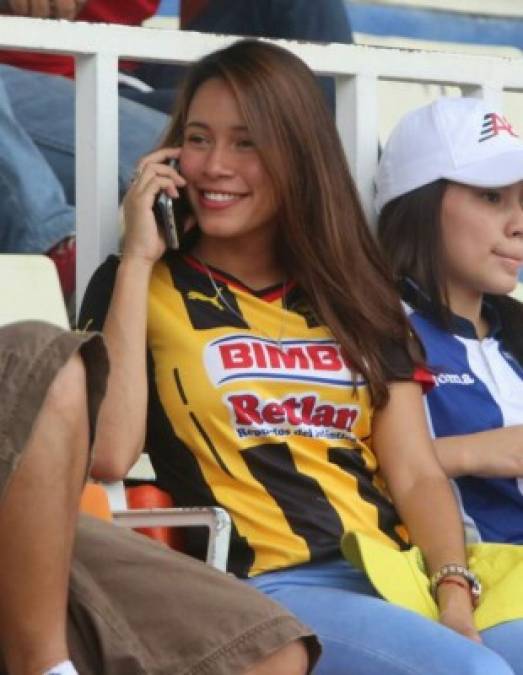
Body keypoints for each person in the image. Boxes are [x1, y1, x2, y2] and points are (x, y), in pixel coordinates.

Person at [79, 40, 522, 674]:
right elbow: (109, 452)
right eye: (199, 139)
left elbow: (416, 473)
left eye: (247, 143)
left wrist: (453, 589)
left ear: (298, 158)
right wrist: (139, 258)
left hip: (401, 574)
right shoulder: (141, 285)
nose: (214, 166)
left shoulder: (352, 292)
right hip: (272, 590)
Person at [0, 320, 319, 675]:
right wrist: (136, 265)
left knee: (268, 652)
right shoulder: (157, 287)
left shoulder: (358, 307)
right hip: (283, 568)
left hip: (364, 563)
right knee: (42, 358)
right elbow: (112, 453)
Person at [375, 96, 523, 548]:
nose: (518, 224)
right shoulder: (373, 326)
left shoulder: (514, 328)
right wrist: (472, 452)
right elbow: (332, 474)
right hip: (469, 590)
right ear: (420, 204)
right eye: (491, 196)